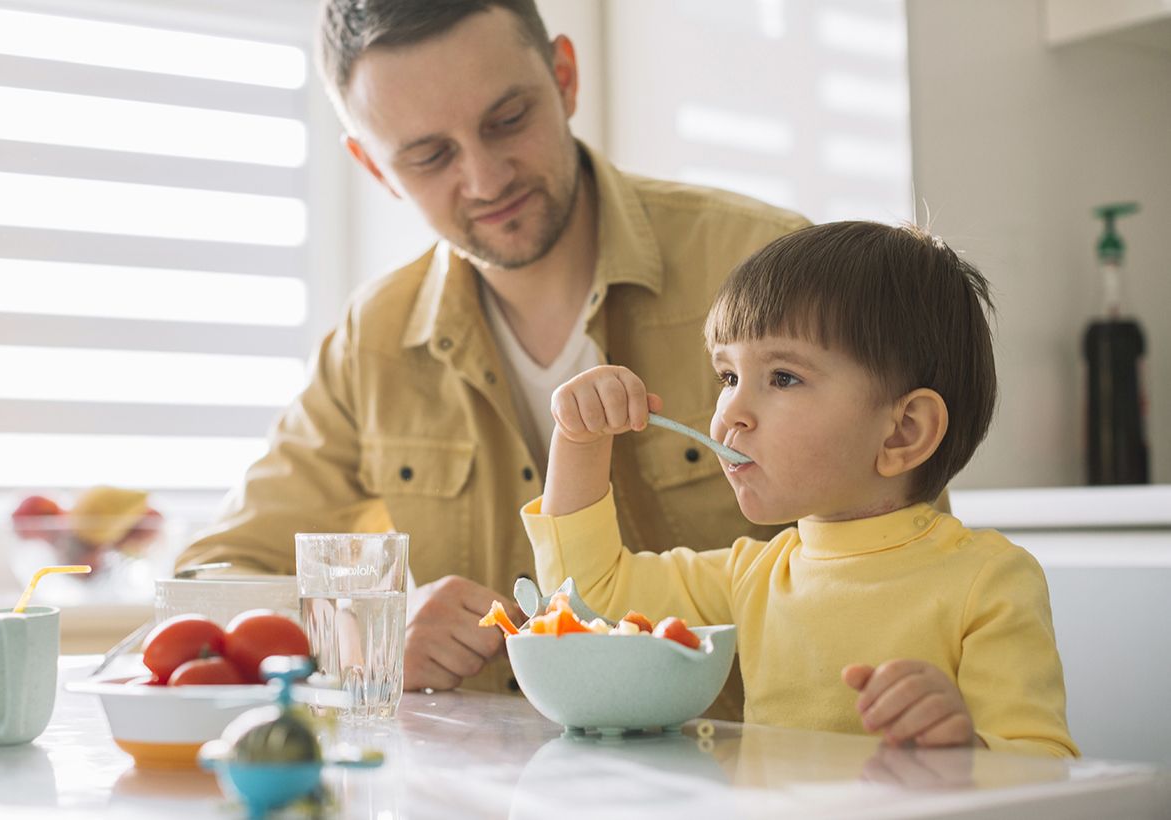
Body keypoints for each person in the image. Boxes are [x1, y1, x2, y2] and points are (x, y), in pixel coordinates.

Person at [176, 0, 809, 708]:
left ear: (564, 77)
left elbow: (901, 545)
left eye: (508, 120)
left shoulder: (768, 268)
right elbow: (211, 583)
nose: (486, 179)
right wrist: (359, 635)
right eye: (428, 156)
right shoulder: (373, 341)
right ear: (374, 168)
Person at [523, 221, 1078, 757]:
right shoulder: (753, 576)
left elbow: (1044, 767)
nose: (729, 413)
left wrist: (964, 750)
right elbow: (586, 597)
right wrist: (579, 441)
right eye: (728, 377)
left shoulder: (989, 583)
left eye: (783, 377)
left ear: (904, 431)